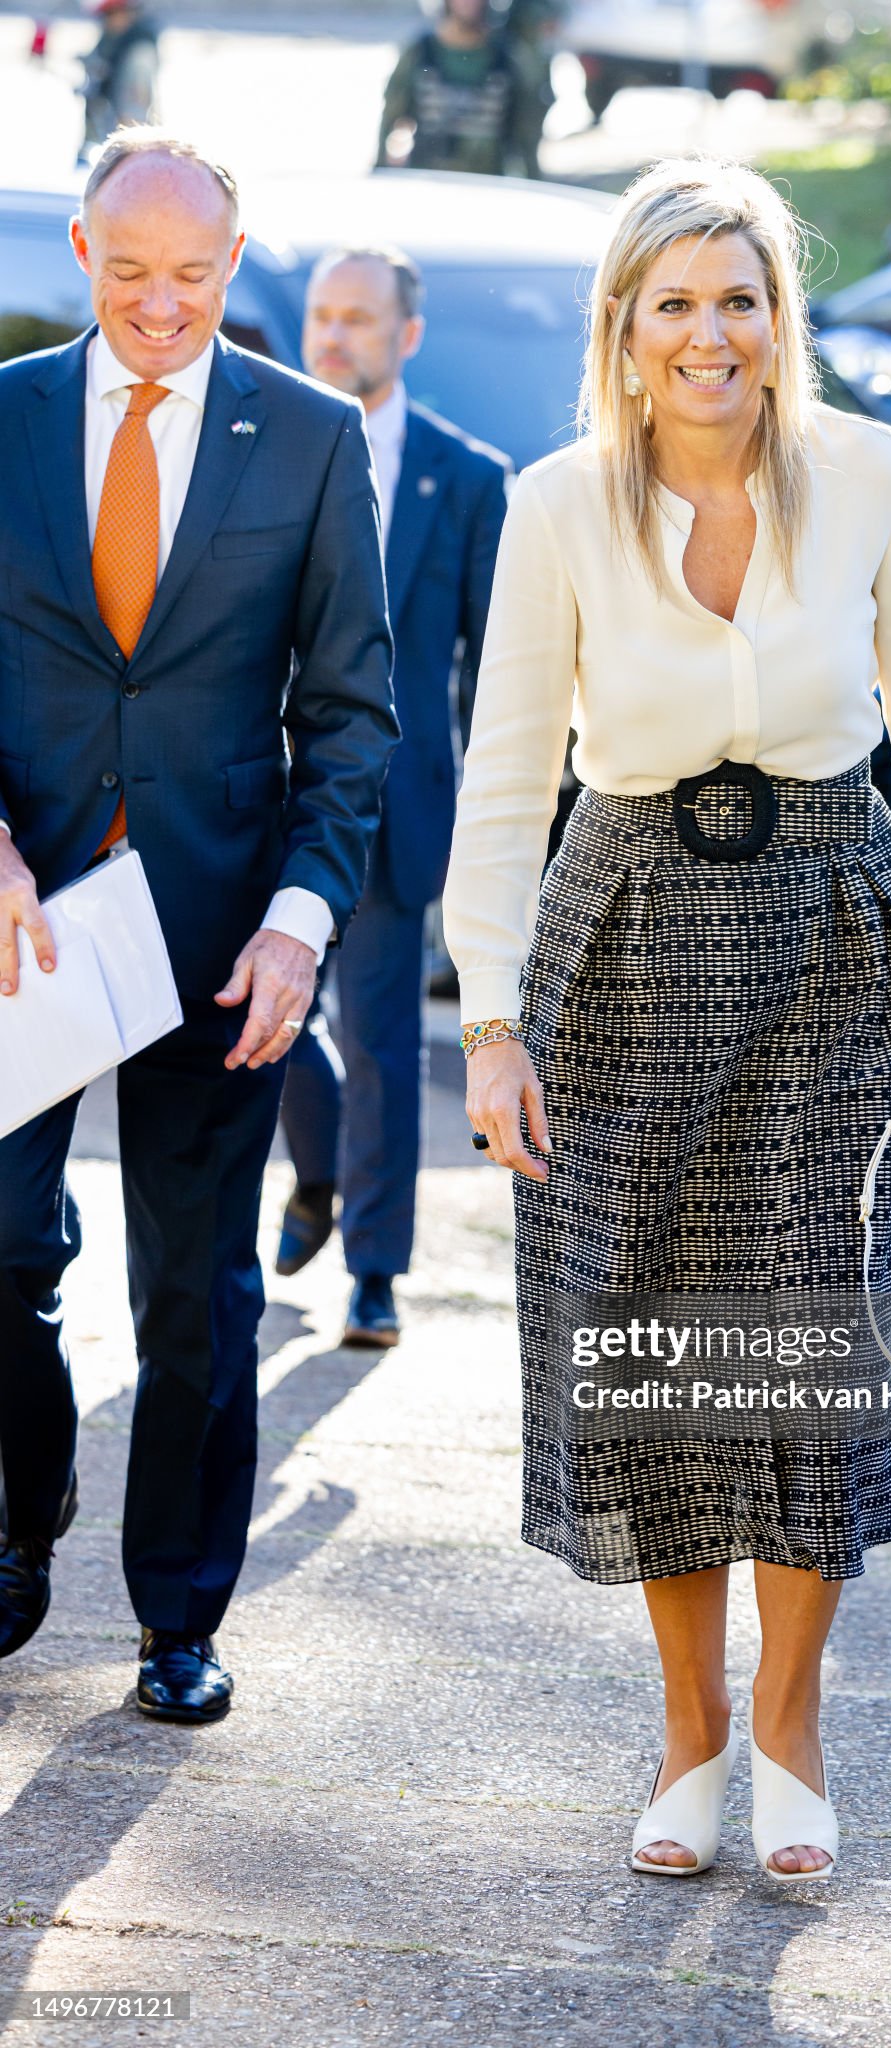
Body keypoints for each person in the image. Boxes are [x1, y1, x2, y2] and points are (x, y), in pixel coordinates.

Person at [443, 159, 891, 1883]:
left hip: (831, 938)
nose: (711, 334)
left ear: (783, 321)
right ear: (624, 334)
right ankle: (686, 1728)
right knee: (646, 1356)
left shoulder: (867, 474)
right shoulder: (556, 503)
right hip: (619, 940)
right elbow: (501, 781)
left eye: (741, 297)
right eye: (675, 302)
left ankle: (790, 1719)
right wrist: (492, 1024)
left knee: (809, 1340)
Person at [0, 132, 398, 1717]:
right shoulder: (7, 419)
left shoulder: (304, 440)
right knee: (5, 1249)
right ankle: (19, 1528)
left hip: (219, 937)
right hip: (23, 935)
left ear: (235, 266)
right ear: (83, 248)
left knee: (197, 1295)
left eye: (192, 275)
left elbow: (353, 716)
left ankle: (176, 1618)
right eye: (128, 268)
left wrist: (302, 921)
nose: (158, 305)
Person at [275, 245, 511, 1349]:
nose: (334, 335)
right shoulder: (258, 446)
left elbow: (498, 672)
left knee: (378, 1038)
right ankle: (316, 1171)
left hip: (389, 806)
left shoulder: (466, 480)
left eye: (358, 318)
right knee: (258, 1021)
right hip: (258, 796)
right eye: (322, 314)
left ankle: (373, 1270)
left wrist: (491, 822)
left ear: (406, 334)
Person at [376, 0, 546, 178]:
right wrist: (380, 166)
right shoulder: (420, 52)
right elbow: (391, 113)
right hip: (427, 177)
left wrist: (533, 179)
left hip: (487, 181)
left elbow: (527, 130)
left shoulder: (508, 57)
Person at [78, 1, 159, 162]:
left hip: (125, 144)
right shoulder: (113, 42)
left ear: (124, 13)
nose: (106, 22)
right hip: (105, 136)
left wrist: (126, 146)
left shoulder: (138, 53)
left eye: (109, 15)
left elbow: (136, 102)